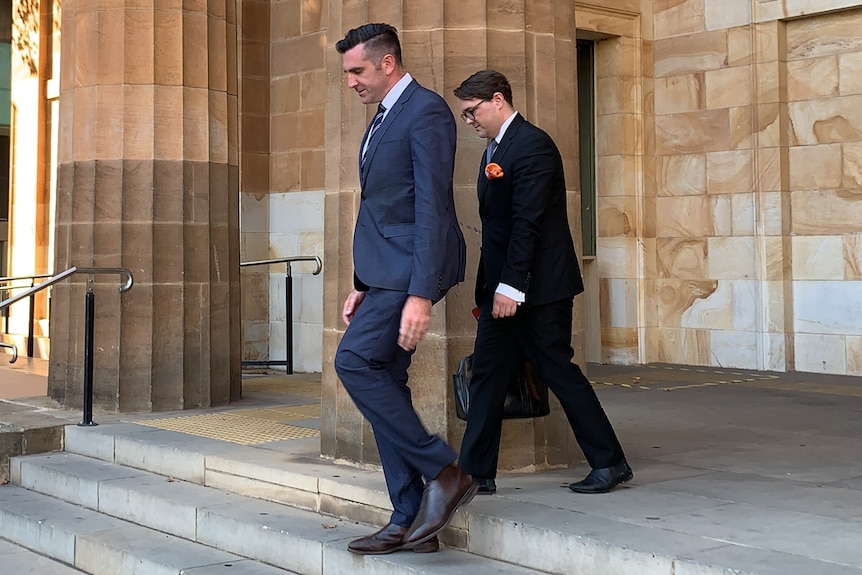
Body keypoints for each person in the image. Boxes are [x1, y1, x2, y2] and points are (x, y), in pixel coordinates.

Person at [333, 23, 478, 555]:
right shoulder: (382, 117)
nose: (350, 81)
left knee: (353, 363)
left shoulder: (426, 110)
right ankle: (408, 520)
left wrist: (420, 294)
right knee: (385, 380)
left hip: (410, 272)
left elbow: (431, 207)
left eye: (357, 71)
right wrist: (364, 286)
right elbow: (382, 206)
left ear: (387, 63)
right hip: (385, 274)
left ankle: (444, 470)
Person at [453, 69, 632, 496]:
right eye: (464, 116)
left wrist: (512, 287)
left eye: (472, 112)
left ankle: (610, 463)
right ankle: (475, 473)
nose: (470, 121)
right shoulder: (494, 149)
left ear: (498, 100)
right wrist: (497, 287)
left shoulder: (533, 145)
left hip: (538, 291)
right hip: (504, 288)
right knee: (488, 376)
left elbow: (526, 223)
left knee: (559, 373)